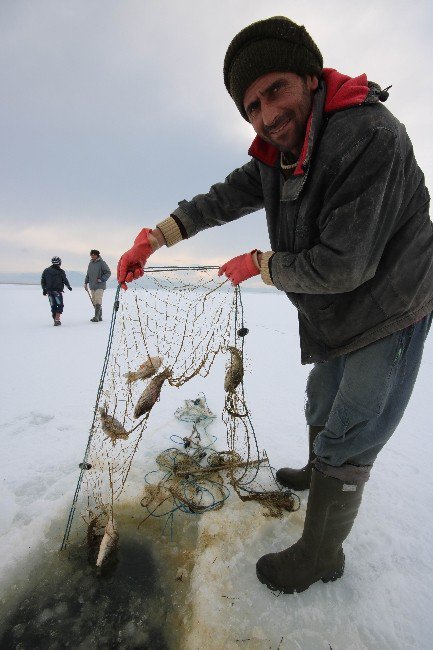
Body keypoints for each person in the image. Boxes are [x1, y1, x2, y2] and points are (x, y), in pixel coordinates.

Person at [116, 16, 433, 594]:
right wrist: (155, 236)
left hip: (391, 304)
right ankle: (318, 474)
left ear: (311, 78)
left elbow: (344, 265)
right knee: (321, 398)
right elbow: (224, 198)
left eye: (276, 90)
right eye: (251, 105)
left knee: (353, 425)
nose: (266, 114)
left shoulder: (369, 135)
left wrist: (259, 265)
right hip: (333, 307)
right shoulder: (275, 152)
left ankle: (321, 556)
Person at [41, 256, 72, 326]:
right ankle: (57, 319)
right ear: (59, 263)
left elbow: (43, 281)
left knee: (53, 305)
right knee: (60, 305)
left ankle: (55, 318)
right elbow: (65, 280)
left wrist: (44, 289)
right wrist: (69, 286)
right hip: (57, 291)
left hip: (49, 291)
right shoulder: (61, 271)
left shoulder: (46, 270)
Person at [84, 249, 111, 322]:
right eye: (91, 254)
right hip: (92, 285)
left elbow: (108, 272)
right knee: (94, 301)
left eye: (94, 254)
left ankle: (96, 317)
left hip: (100, 285)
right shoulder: (90, 264)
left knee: (98, 300)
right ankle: (99, 316)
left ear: (97, 255)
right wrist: (85, 283)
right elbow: (88, 275)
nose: (92, 256)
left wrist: (102, 279)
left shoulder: (102, 263)